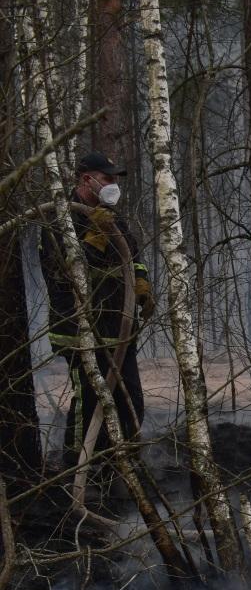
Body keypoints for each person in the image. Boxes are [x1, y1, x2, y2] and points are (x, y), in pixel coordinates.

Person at [39, 151, 155, 467]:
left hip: (118, 327)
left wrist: (142, 285)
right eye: (107, 178)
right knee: (90, 403)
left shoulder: (110, 216)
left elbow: (133, 255)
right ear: (86, 178)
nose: (113, 184)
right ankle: (79, 470)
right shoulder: (58, 218)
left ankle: (123, 471)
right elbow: (66, 272)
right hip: (79, 328)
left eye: (115, 178)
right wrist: (96, 237)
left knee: (130, 398)